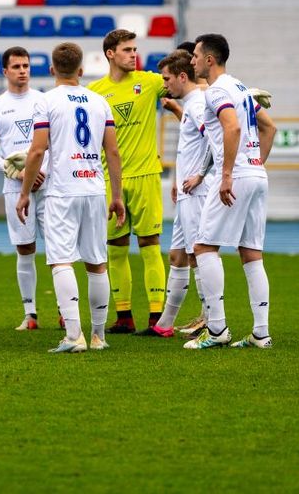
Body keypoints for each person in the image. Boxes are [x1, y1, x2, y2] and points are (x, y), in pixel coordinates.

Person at [17, 42, 125, 354]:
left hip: (62, 190)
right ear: (81, 71)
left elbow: (37, 150)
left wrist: (25, 192)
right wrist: (116, 195)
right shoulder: (98, 101)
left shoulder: (45, 101)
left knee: (61, 260)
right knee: (96, 263)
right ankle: (98, 336)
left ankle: (74, 335)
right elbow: (113, 151)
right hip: (93, 189)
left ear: (52, 70)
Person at [185, 33, 278, 350]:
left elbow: (232, 127)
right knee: (251, 253)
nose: (192, 60)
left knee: (203, 247)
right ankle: (261, 334)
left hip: (235, 175)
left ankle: (216, 329)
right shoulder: (240, 86)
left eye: (196, 55)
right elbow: (270, 127)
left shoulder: (217, 91)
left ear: (209, 59)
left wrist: (226, 174)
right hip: (255, 174)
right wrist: (256, 163)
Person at [88, 29, 167, 332]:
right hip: (110, 180)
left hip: (147, 175)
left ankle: (157, 317)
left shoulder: (149, 82)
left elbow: (187, 83)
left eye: (135, 49)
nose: (133, 55)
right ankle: (123, 317)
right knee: (115, 248)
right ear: (110, 53)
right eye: (127, 50)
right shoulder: (95, 91)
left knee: (150, 244)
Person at [136, 51, 214, 337]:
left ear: (182, 76)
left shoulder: (197, 104)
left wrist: (200, 175)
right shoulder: (191, 105)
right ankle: (165, 324)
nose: (164, 84)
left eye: (167, 79)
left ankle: (211, 320)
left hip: (197, 192)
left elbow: (214, 140)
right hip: (185, 192)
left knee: (200, 255)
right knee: (178, 256)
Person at [0, 46, 48, 331]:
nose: (23, 71)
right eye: (17, 66)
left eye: (26, 66)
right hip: (14, 186)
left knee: (59, 249)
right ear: (5, 71)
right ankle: (30, 313)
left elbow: (56, 143)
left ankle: (63, 310)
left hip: (49, 184)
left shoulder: (44, 101)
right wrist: (17, 171)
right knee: (25, 248)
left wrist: (43, 171)